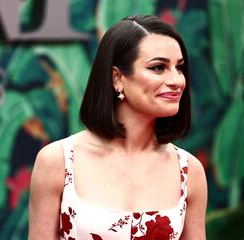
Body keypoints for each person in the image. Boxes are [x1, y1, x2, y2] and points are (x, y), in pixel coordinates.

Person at [28, 15, 207, 240]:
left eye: (179, 68)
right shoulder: (58, 162)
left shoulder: (189, 171)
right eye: (158, 67)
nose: (177, 80)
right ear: (117, 78)